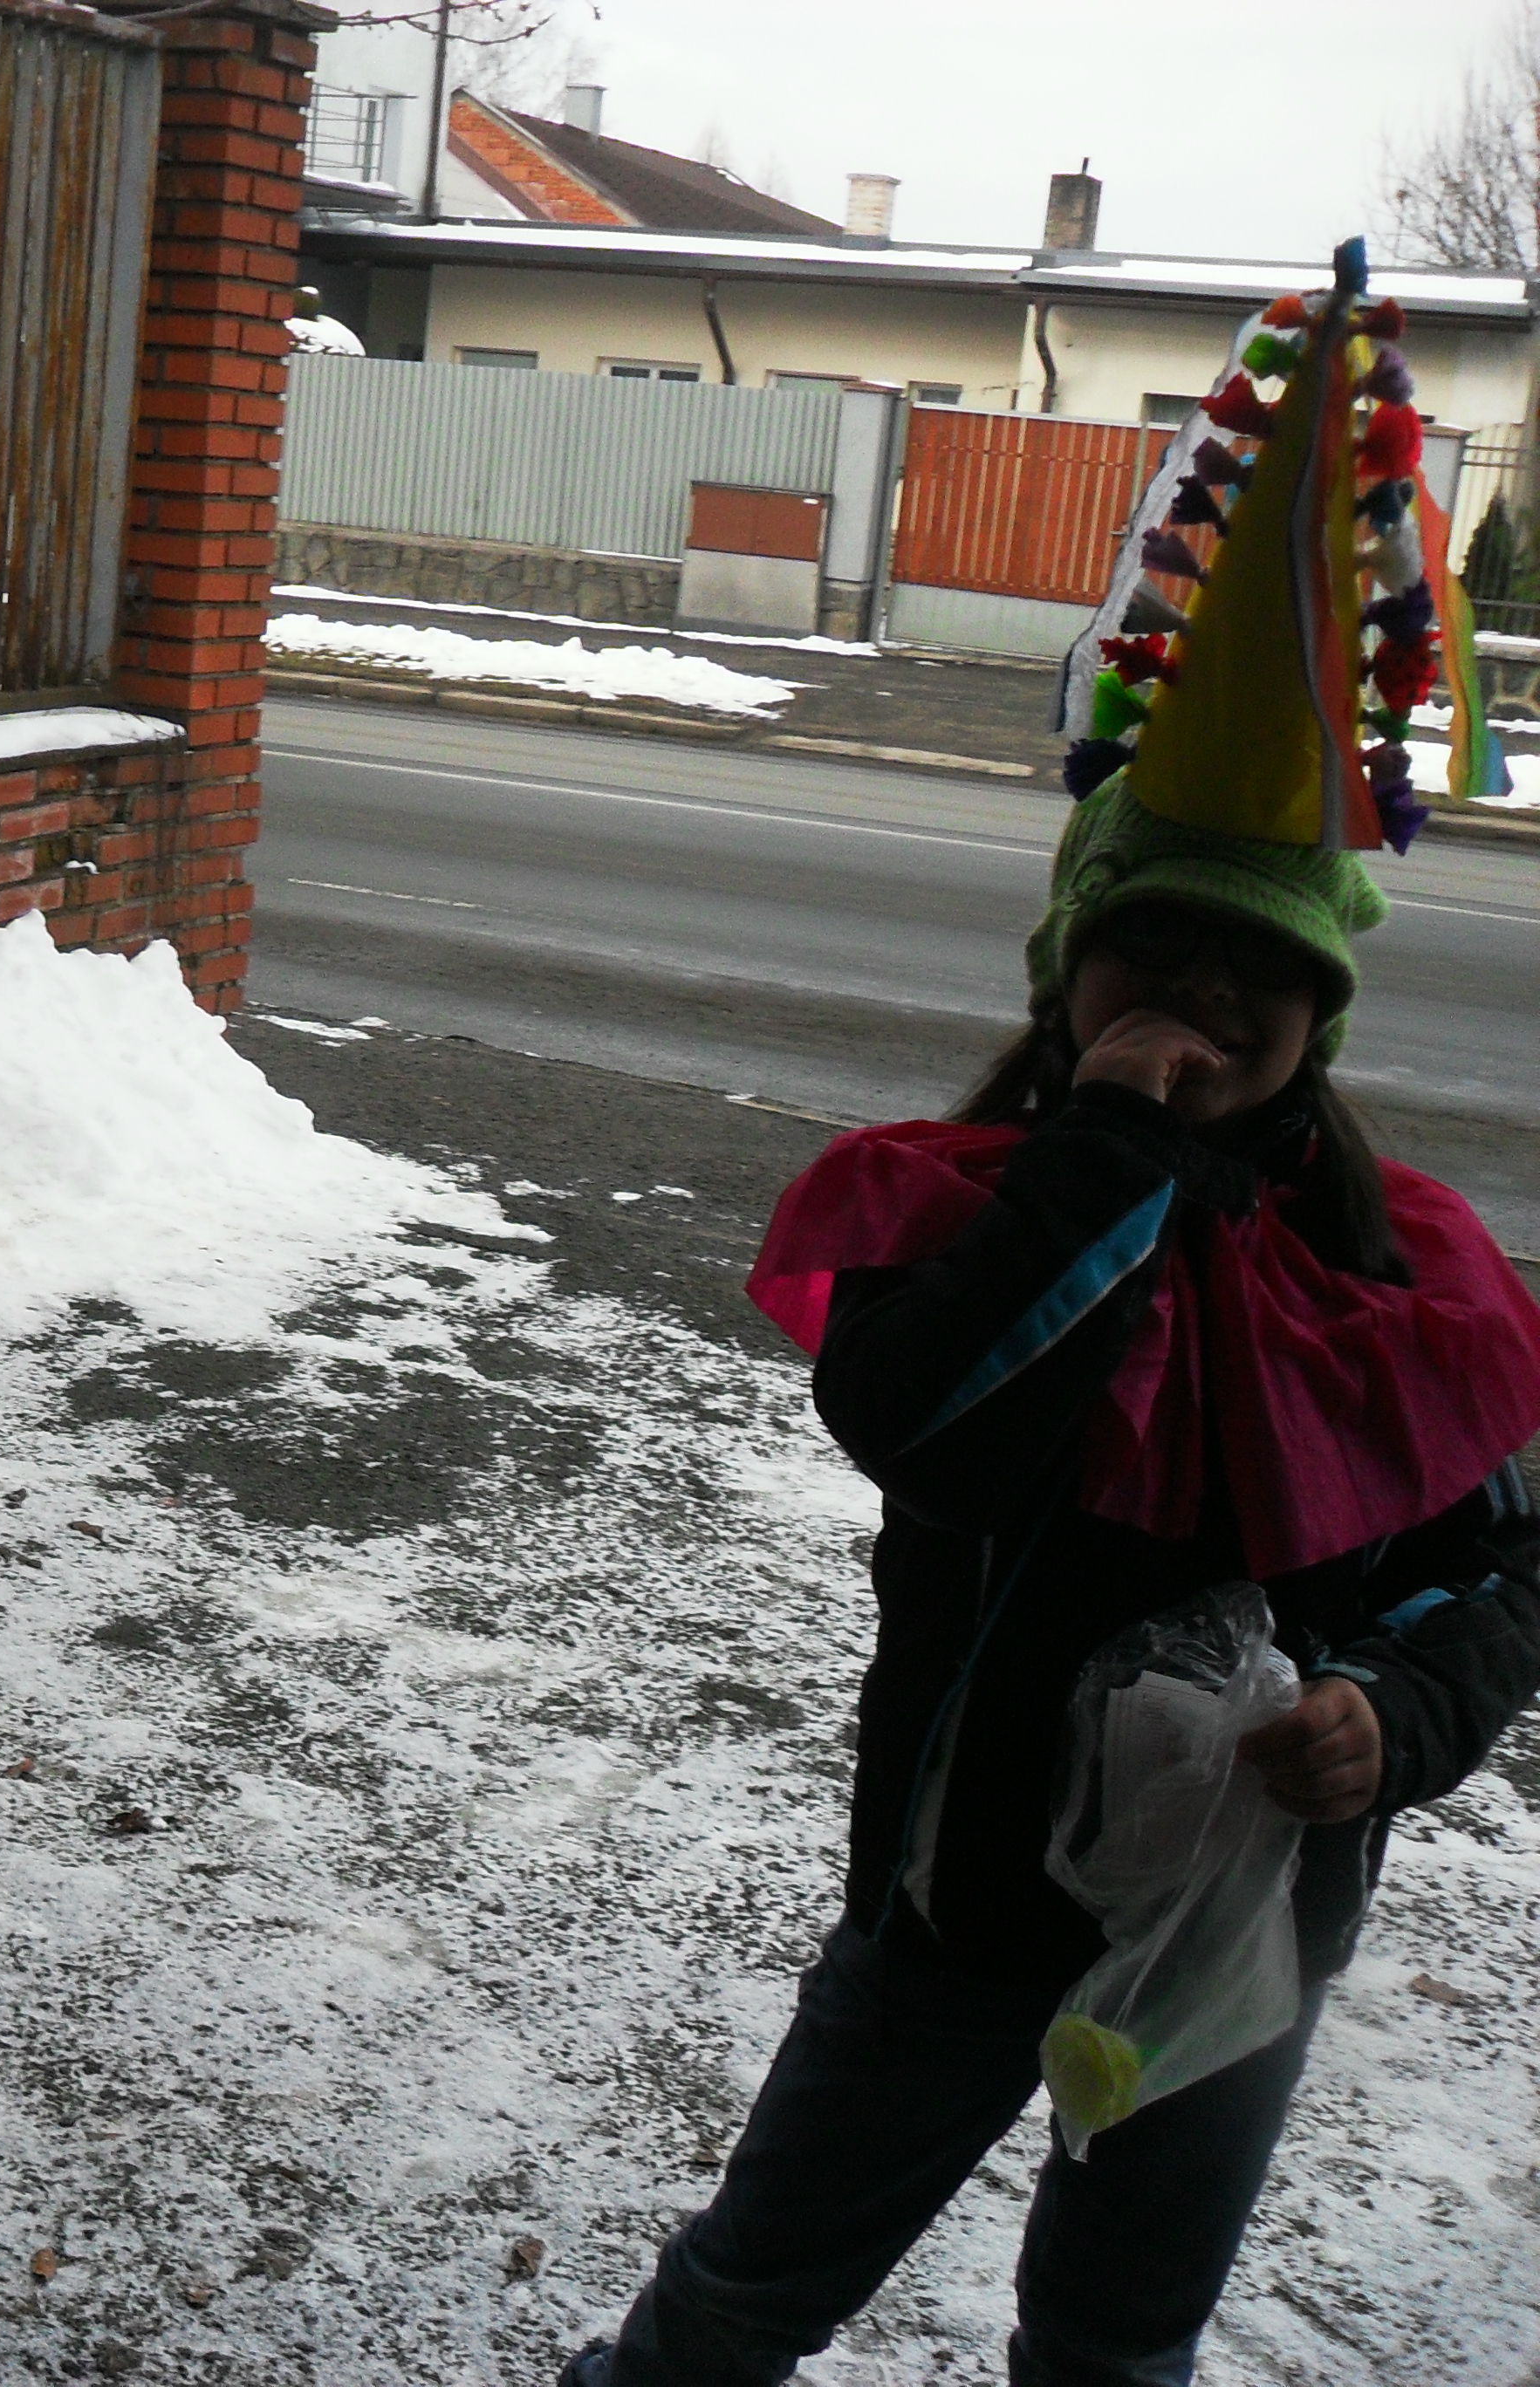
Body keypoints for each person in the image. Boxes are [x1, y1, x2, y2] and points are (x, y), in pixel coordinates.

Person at [565, 249, 1540, 2387]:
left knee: (1114, 2344)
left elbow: (1505, 1564)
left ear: (1323, 1016)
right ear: (1065, 972)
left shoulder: (1404, 1277)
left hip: (1238, 1924)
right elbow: (936, 1423)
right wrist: (1107, 1148)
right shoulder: (952, 1207)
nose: (1200, 1004)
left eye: (1255, 979)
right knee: (746, 2292)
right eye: (1149, 957)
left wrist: (1401, 1708)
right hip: (959, 1900)